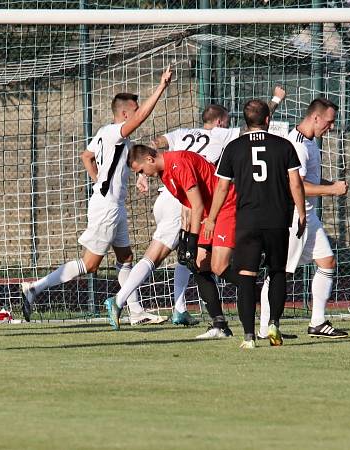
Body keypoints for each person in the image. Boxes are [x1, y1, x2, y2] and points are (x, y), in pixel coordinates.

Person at [20, 66, 173, 325]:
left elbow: (87, 156)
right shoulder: (115, 132)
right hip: (107, 208)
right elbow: (141, 118)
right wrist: (160, 87)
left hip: (112, 205)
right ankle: (35, 288)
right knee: (90, 265)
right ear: (125, 114)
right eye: (133, 112)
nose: (136, 115)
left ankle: (136, 312)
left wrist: (118, 179)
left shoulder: (106, 134)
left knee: (126, 258)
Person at [122, 87, 286, 326]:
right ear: (220, 122)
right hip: (197, 199)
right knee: (189, 258)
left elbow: (154, 143)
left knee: (195, 260)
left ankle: (212, 308)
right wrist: (275, 100)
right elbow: (254, 126)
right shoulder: (223, 134)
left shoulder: (180, 135)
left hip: (194, 200)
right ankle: (208, 313)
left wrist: (142, 173)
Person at [208, 99, 306, 349]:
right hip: (277, 219)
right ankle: (273, 323)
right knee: (277, 272)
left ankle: (249, 337)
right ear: (268, 120)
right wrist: (301, 213)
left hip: (247, 221)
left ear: (245, 120)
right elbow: (295, 183)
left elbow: (222, 187)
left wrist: (211, 217)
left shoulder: (234, 147)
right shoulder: (284, 146)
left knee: (247, 276)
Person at [124, 145, 239, 339]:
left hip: (225, 206)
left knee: (219, 266)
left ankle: (254, 286)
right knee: (198, 265)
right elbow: (187, 206)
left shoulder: (178, 163)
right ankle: (220, 325)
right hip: (207, 213)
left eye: (141, 171)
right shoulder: (165, 174)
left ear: (150, 160)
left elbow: (197, 204)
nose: (143, 175)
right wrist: (186, 238)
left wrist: (193, 240)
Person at [258, 97, 350, 339]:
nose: (330, 127)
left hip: (309, 216)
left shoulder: (310, 141)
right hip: (293, 218)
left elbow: (310, 180)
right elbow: (294, 186)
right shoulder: (296, 144)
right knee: (279, 273)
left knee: (327, 261)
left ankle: (317, 323)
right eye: (329, 122)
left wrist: (332, 184)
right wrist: (332, 190)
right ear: (315, 117)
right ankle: (265, 326)